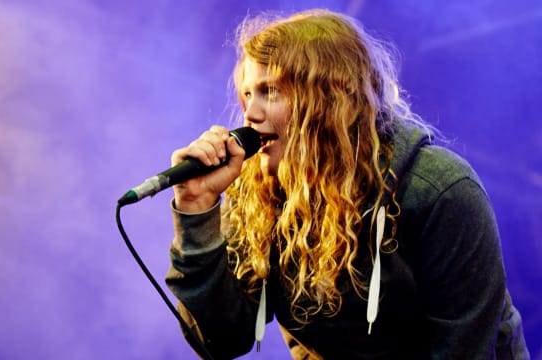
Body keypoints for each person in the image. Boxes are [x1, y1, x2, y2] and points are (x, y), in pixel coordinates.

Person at [164, 8, 530, 359]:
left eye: (270, 91)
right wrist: (196, 207)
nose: (250, 113)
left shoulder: (437, 189)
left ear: (327, 98)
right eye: (247, 94)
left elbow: (462, 349)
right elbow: (222, 340)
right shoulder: (260, 193)